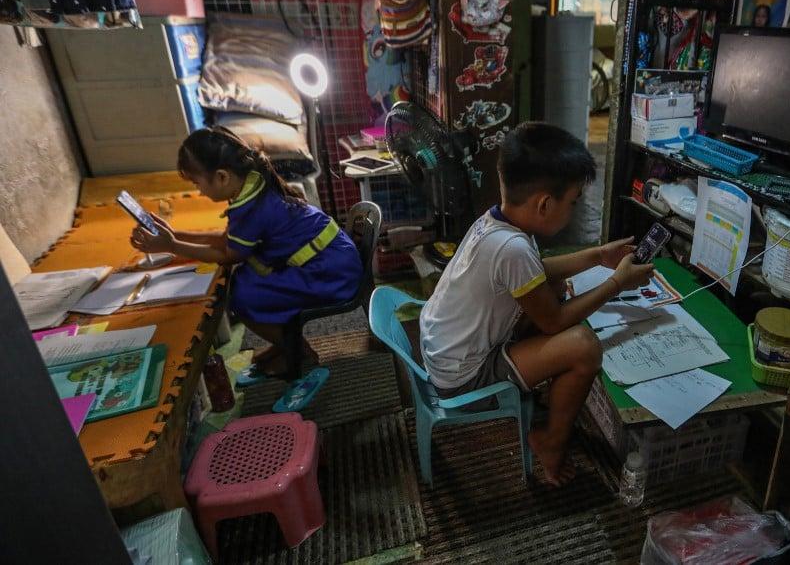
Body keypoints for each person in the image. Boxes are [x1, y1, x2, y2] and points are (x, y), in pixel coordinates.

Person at [418, 122, 655, 486]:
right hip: (463, 380)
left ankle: (544, 395)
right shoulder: (512, 249)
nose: (574, 210)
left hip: (442, 350)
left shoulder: (494, 223)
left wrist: (596, 256)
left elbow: (536, 272)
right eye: (573, 201)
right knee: (584, 348)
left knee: (554, 286)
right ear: (545, 203)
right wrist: (618, 282)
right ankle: (550, 441)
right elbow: (555, 322)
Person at [129, 126, 363, 378]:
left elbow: (230, 255)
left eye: (198, 183)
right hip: (334, 258)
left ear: (222, 177)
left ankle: (296, 350)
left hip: (331, 273)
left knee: (242, 297)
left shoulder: (251, 207)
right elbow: (227, 240)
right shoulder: (253, 183)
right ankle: (284, 344)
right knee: (246, 279)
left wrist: (172, 246)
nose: (199, 192)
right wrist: (175, 235)